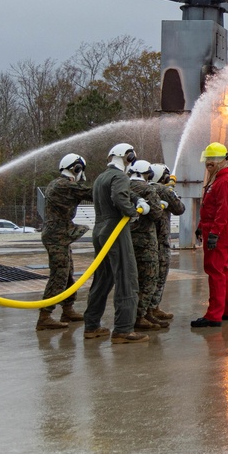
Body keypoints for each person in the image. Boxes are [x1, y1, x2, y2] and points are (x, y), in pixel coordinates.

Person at [82, 143, 150, 344]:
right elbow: (120, 197)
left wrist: (137, 199)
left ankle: (91, 325)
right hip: (115, 230)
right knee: (126, 277)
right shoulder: (119, 176)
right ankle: (123, 329)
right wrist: (133, 213)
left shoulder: (101, 177)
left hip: (99, 229)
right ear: (128, 157)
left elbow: (123, 193)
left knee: (102, 278)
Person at [36, 153, 93, 331]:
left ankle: (67, 309)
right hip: (56, 236)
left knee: (68, 273)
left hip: (60, 235)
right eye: (80, 169)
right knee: (59, 275)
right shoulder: (63, 185)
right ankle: (45, 316)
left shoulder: (60, 184)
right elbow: (91, 193)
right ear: (76, 168)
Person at [191, 142, 228, 328]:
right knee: (223, 271)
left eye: (213, 159)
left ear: (222, 160)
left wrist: (214, 233)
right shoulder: (218, 179)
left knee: (215, 271)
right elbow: (211, 208)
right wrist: (201, 225)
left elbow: (223, 210)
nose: (208, 163)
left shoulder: (225, 181)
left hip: (219, 232)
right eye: (207, 159)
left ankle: (214, 315)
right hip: (215, 229)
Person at [126, 160, 166, 331]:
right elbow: (156, 214)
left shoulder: (125, 186)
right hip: (147, 242)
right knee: (149, 279)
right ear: (147, 174)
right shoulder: (148, 189)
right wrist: (161, 205)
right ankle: (141, 316)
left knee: (134, 279)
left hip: (128, 240)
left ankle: (142, 314)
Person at [150, 163, 185, 321]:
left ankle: (151, 308)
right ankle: (152, 308)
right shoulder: (164, 191)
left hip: (146, 239)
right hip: (160, 240)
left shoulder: (143, 188)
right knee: (159, 275)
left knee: (147, 276)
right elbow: (179, 209)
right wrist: (171, 191)